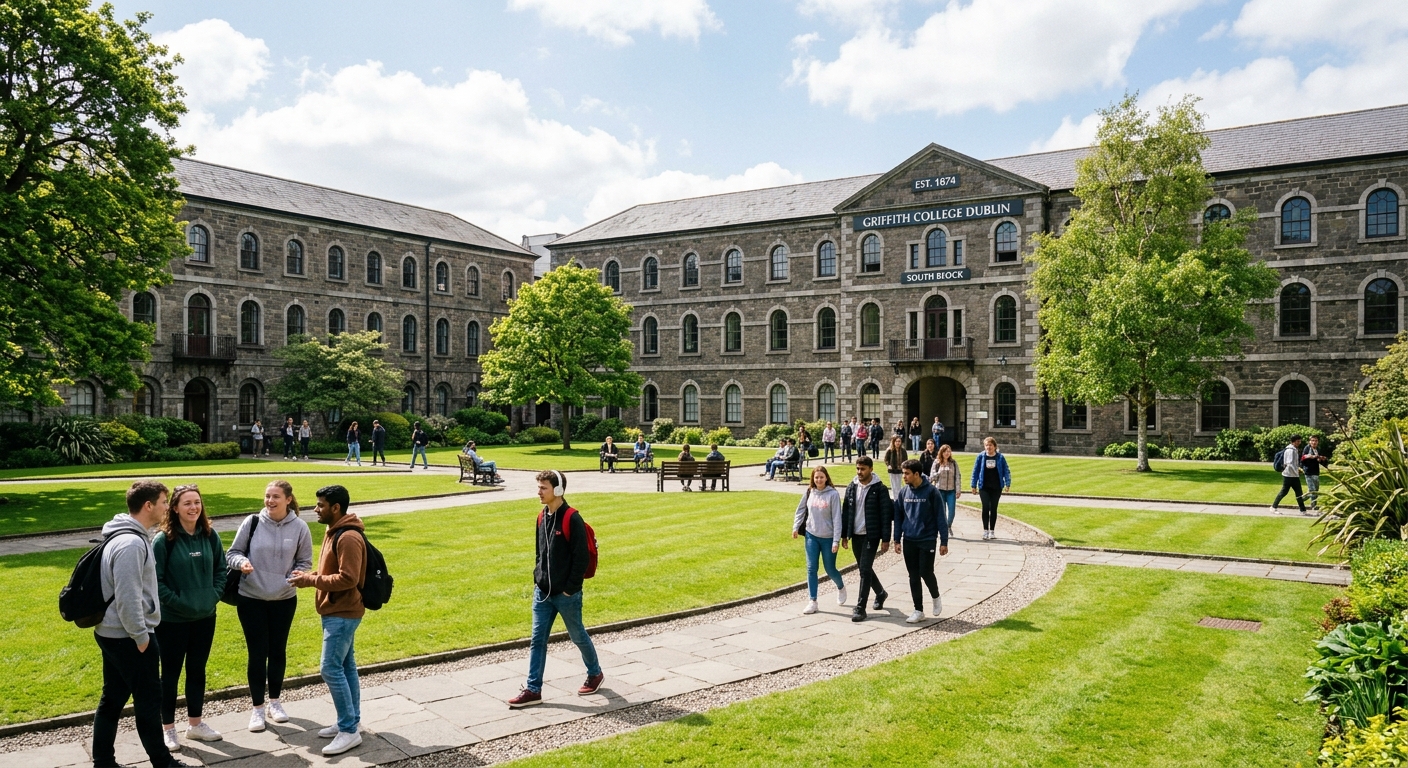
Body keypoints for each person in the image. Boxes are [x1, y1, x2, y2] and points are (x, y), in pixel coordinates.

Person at [93, 480, 197, 768]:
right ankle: (163, 762)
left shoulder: (127, 536)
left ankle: (103, 761)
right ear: (149, 505)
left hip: (113, 633)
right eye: (165, 502)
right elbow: (128, 598)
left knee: (112, 698)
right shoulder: (130, 543)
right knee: (149, 701)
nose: (167, 507)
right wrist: (141, 637)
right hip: (128, 636)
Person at [508, 471, 604, 708]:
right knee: (537, 640)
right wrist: (537, 578)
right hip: (542, 593)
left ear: (558, 490)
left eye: (544, 488)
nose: (539, 492)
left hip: (565, 595)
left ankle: (595, 673)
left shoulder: (573, 519)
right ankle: (533, 689)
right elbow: (540, 552)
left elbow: (581, 558)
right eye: (539, 487)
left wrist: (570, 589)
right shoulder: (541, 517)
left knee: (577, 635)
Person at [227, 480, 313, 733]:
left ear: (288, 499)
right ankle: (257, 709)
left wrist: (298, 574)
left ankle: (275, 703)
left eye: (276, 496)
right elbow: (232, 553)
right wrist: (242, 563)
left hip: (284, 599)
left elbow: (305, 560)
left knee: (277, 651)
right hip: (251, 597)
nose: (270, 501)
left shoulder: (299, 527)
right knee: (257, 653)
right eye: (267, 496)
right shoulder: (252, 522)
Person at [289, 485, 366, 757]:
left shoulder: (347, 537)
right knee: (345, 666)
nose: (315, 509)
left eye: (320, 505)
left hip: (343, 613)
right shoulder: (334, 531)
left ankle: (349, 731)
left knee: (330, 668)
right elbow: (331, 571)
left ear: (336, 508)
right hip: (336, 611)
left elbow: (349, 578)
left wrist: (310, 580)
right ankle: (350, 720)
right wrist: (309, 574)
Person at [153, 485, 226, 751]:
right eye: (187, 503)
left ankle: (195, 725)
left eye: (197, 502)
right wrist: (178, 602)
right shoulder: (164, 540)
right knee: (169, 675)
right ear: (174, 508)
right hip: (172, 620)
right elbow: (155, 581)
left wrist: (213, 596)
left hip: (205, 616)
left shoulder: (210, 535)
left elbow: (222, 570)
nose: (193, 507)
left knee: (197, 671)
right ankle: (168, 729)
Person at [893, 459, 949, 624]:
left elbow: (941, 517)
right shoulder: (903, 493)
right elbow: (898, 517)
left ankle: (935, 596)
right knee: (913, 576)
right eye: (903, 473)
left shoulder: (932, 492)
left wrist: (944, 541)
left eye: (907, 473)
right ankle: (918, 610)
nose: (904, 476)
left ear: (916, 474)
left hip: (927, 539)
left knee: (926, 572)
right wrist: (896, 539)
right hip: (909, 539)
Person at [840, 456, 892, 622]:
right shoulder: (851, 487)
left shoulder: (880, 489)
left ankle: (861, 607)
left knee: (864, 568)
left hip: (871, 534)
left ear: (870, 469)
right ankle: (881, 593)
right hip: (855, 534)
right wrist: (844, 535)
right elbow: (846, 512)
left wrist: (886, 539)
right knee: (865, 569)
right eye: (857, 469)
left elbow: (886, 515)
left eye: (862, 469)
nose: (859, 472)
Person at [794, 466, 845, 615]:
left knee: (830, 569)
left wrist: (836, 540)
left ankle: (841, 587)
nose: (819, 480)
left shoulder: (833, 494)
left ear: (826, 478)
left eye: (821, 477)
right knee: (811, 568)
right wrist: (795, 527)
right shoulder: (810, 492)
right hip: (812, 535)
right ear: (813, 478)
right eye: (816, 477)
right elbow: (801, 510)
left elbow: (837, 518)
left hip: (828, 537)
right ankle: (813, 601)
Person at [970, 437, 1012, 540]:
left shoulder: (1000, 457)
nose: (988, 447)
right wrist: (973, 485)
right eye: (986, 445)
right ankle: (985, 530)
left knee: (993, 508)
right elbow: (975, 471)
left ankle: (992, 531)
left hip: (996, 487)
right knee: (985, 507)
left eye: (990, 445)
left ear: (994, 446)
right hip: (984, 486)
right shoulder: (980, 457)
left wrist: (1008, 483)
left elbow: (1006, 470)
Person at [929, 444, 962, 535]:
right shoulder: (936, 463)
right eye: (945, 451)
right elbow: (931, 478)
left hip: (951, 490)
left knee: (952, 511)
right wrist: (938, 472)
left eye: (949, 451)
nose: (947, 453)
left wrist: (958, 490)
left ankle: (948, 525)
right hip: (940, 490)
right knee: (942, 511)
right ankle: (943, 528)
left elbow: (957, 477)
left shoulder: (953, 463)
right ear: (941, 452)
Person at [1272, 435, 1307, 515]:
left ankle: (1303, 510)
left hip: (1293, 475)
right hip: (1288, 475)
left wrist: (1297, 471)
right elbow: (1289, 463)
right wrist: (1297, 470)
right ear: (1293, 442)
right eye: (1298, 441)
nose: (1299, 443)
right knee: (1284, 491)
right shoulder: (1290, 450)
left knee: (1299, 492)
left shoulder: (1294, 449)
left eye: (1299, 441)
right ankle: (1273, 507)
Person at [1302, 435, 1326, 512]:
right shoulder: (1307, 448)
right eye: (1312, 440)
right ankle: (1314, 506)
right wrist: (1310, 457)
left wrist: (1322, 459)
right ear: (1310, 441)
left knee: (1316, 490)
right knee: (1312, 490)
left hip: (1316, 471)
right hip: (1308, 472)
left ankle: (1301, 499)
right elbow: (1303, 457)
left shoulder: (1318, 449)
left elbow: (1322, 460)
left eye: (1315, 440)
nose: (1314, 442)